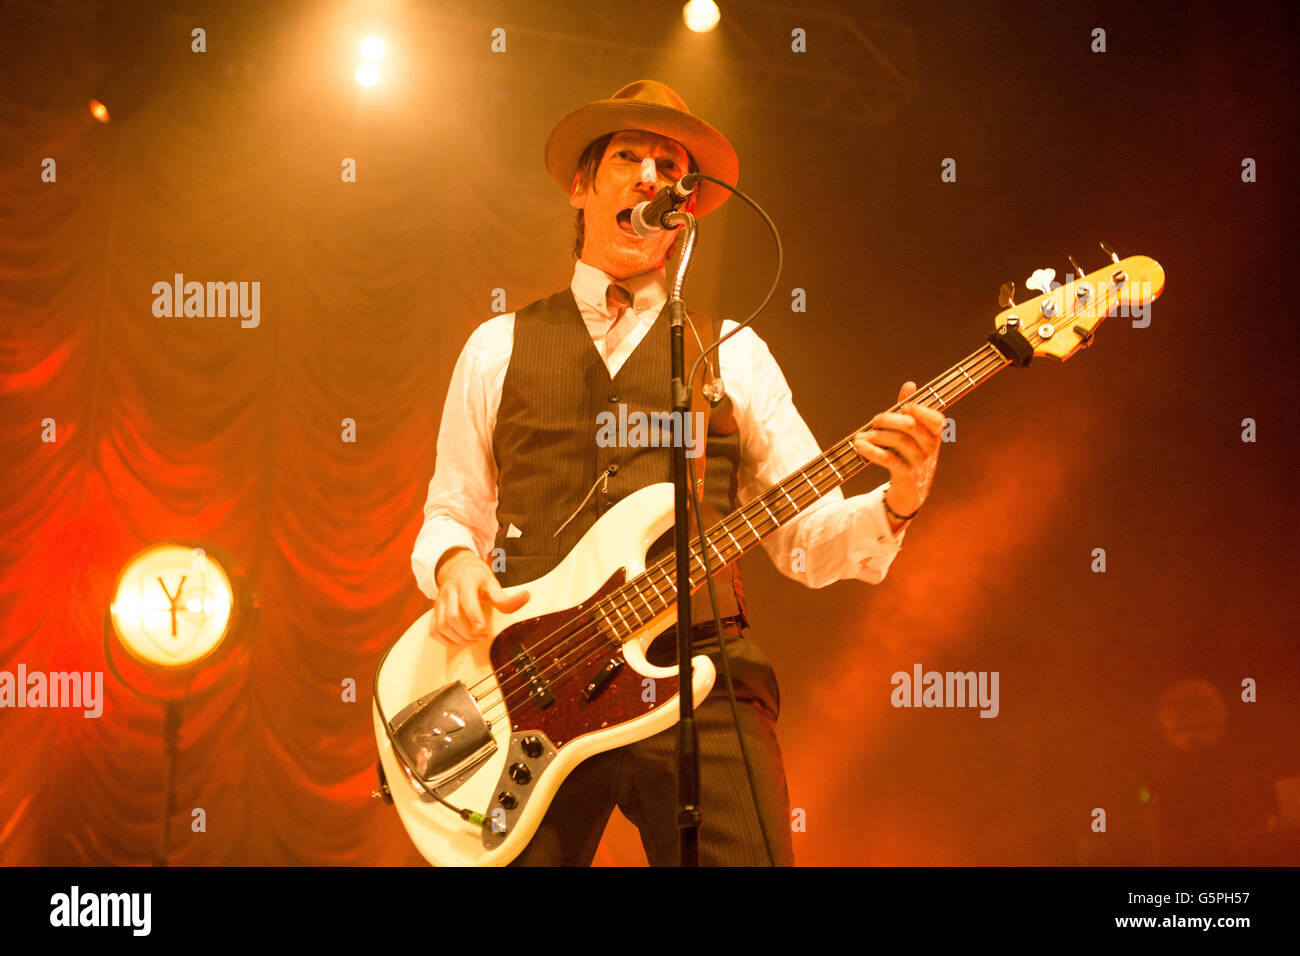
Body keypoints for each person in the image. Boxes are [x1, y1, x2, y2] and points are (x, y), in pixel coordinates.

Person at [411, 80, 942, 866]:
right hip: (534, 683)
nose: (652, 176)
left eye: (671, 165)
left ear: (686, 206)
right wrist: (455, 562)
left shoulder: (733, 353)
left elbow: (811, 541)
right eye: (629, 156)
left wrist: (899, 498)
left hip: (701, 671)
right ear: (582, 187)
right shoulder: (497, 347)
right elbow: (452, 508)